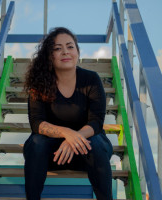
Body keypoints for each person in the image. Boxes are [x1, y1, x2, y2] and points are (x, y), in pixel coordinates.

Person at [24, 27, 113, 200]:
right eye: (57, 48)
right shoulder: (39, 83)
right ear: (50, 56)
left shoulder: (91, 79)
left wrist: (75, 139)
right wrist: (67, 133)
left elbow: (96, 122)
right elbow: (36, 123)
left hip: (88, 152)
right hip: (53, 155)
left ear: (77, 52)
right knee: (37, 142)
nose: (65, 52)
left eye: (70, 46)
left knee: (94, 141)